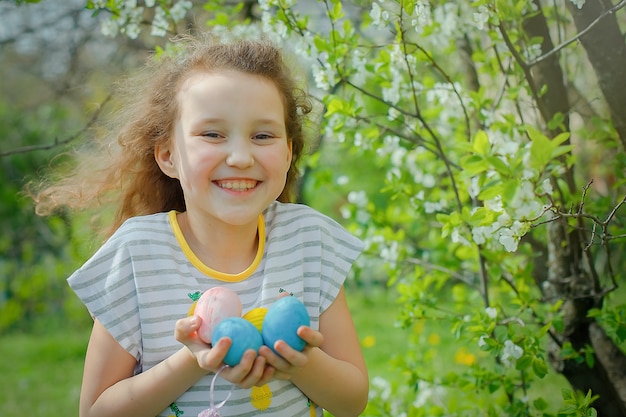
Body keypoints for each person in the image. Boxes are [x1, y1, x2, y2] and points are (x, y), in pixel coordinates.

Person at [32, 33, 368, 417]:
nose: (240, 157)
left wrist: (303, 364)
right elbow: (96, 411)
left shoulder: (309, 241)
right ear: (168, 155)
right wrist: (193, 360)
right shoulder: (138, 255)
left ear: (289, 152)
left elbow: (353, 401)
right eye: (212, 134)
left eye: (263, 135)